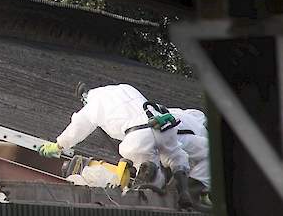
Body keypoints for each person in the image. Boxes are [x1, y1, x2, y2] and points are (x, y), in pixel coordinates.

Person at [39, 83, 194, 208]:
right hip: (162, 124)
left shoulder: (94, 104)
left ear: (85, 97)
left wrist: (58, 145)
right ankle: (184, 189)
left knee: (147, 179)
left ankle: (152, 182)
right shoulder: (125, 88)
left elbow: (77, 127)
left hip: (137, 134)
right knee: (176, 157)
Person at [169, 107, 210, 200]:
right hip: (174, 134)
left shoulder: (186, 113)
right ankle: (190, 195)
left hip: (143, 132)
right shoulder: (201, 129)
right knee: (214, 154)